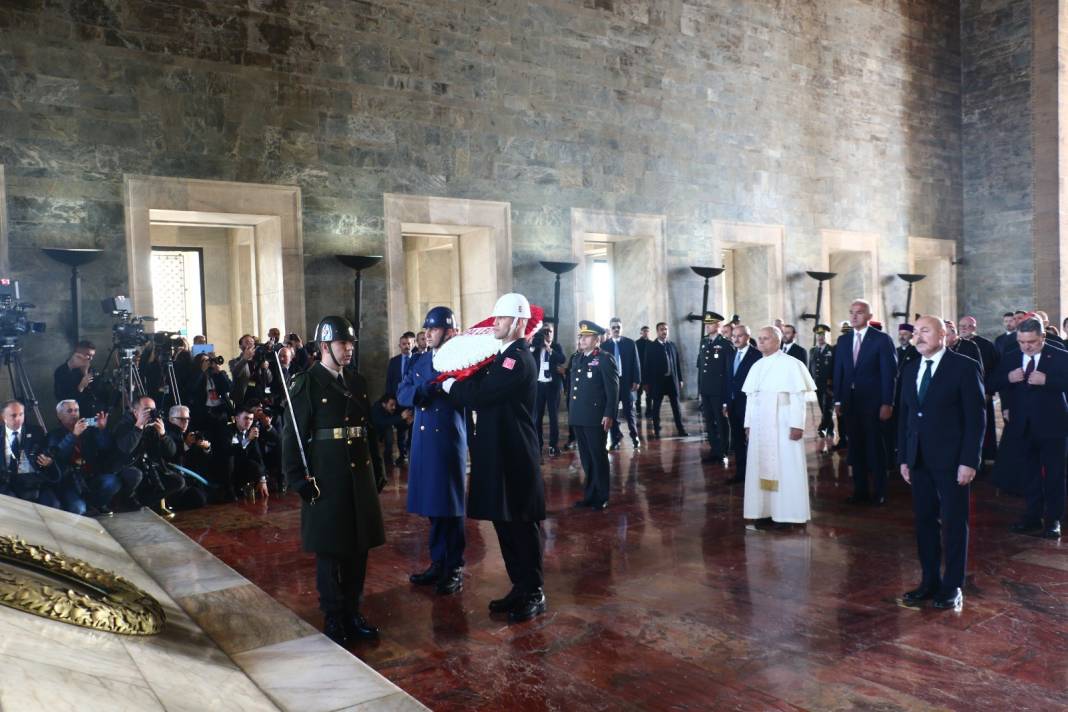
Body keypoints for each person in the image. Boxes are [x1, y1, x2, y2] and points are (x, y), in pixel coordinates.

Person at [441, 293, 546, 623]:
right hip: (499, 452)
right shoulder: (501, 358)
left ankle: (534, 591)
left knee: (521, 526)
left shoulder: (517, 359)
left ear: (517, 322)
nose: (494, 324)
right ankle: (519, 586)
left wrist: (449, 387)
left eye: (500, 319)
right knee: (505, 523)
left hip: (514, 455)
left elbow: (482, 395)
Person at [282, 315, 387, 645]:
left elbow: (368, 430)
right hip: (326, 478)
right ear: (325, 346)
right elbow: (292, 438)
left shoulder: (357, 382)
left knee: (358, 548)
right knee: (331, 551)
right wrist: (299, 481)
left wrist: (379, 469)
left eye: (352, 344)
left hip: (359, 476)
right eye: (344, 343)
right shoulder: (307, 384)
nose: (349, 349)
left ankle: (353, 611)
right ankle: (334, 616)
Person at [898, 316, 985, 610]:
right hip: (919, 459)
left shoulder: (963, 367)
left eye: (926, 331)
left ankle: (952, 586)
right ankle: (929, 581)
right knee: (924, 522)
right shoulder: (910, 368)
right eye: (916, 332)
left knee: (953, 523)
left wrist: (969, 461)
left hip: (952, 461)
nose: (918, 337)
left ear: (944, 335)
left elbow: (976, 419)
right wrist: (904, 458)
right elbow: (906, 417)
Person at [398, 306, 468, 595]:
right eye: (426, 328)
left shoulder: (461, 360)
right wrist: (424, 390)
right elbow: (402, 392)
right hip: (423, 441)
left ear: (450, 331)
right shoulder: (422, 359)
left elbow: (463, 395)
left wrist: (428, 389)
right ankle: (438, 561)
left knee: (449, 508)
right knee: (432, 506)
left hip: (446, 440)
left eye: (434, 328)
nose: (428, 333)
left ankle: (453, 567)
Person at [992, 317, 1067, 539]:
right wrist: (1007, 377)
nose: (1026, 346)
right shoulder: (1011, 356)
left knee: (1054, 475)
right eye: (1022, 341)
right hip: (1022, 426)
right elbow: (992, 383)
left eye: (1031, 342)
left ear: (1042, 337)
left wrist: (1048, 380)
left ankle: (1053, 520)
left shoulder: (1061, 356)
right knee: (1030, 475)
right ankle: (1032, 517)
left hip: (1053, 426)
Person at [741, 326, 817, 528]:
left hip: (783, 423)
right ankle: (764, 512)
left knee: (786, 468)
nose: (761, 342)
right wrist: (748, 424)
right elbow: (751, 398)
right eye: (759, 338)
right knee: (759, 468)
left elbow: (798, 397)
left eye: (766, 338)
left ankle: (787, 515)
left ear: (778, 341)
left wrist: (797, 425)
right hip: (760, 425)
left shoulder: (792, 364)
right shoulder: (756, 366)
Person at [833, 299, 897, 505]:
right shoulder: (843, 341)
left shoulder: (881, 340)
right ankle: (860, 491)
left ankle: (880, 491)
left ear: (869, 316)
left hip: (874, 403)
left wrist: (888, 402)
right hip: (850, 403)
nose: (854, 316)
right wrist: (837, 400)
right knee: (855, 448)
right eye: (851, 312)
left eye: (859, 313)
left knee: (875, 448)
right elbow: (839, 373)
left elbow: (890, 374)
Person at [569, 320, 619, 510]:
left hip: (595, 416)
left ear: (596, 339)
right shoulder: (577, 358)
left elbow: (613, 389)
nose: (581, 339)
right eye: (580, 336)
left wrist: (609, 414)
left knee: (598, 456)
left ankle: (602, 495)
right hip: (579, 415)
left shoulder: (605, 358)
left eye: (586, 336)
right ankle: (590, 495)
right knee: (586, 459)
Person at [112, 395, 182, 516]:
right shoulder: (124, 424)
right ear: (135, 412)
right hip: (127, 469)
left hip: (149, 468)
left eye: (153, 410)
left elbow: (171, 452)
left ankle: (143, 503)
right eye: (147, 410)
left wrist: (163, 435)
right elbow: (126, 448)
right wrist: (138, 427)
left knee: (177, 481)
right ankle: (123, 502)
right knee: (136, 475)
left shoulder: (154, 424)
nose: (151, 413)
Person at [47, 400, 120, 516]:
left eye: (76, 410)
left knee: (112, 482)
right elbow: (59, 455)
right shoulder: (54, 435)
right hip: (69, 482)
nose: (74, 414)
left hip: (89, 477)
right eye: (69, 411)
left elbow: (106, 447)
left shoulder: (89, 431)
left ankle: (96, 504)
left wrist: (102, 429)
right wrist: (73, 435)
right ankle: (85, 506)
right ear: (60, 416)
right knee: (79, 509)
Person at [1, 400, 60, 508]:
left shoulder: (36, 432)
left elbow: (47, 454)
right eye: (13, 415)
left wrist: (48, 462)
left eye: (21, 414)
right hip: (7, 484)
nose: (18, 418)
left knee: (53, 505)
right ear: (3, 417)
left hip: (33, 482)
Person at [725, 324, 762, 485]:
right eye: (733, 336)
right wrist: (726, 402)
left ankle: (756, 475)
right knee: (738, 441)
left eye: (739, 336)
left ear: (747, 337)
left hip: (750, 406)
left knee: (753, 441)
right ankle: (741, 473)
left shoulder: (757, 356)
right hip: (733, 405)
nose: (736, 339)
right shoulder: (732, 354)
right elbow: (728, 380)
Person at [697, 311, 733, 463]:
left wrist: (727, 396)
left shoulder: (726, 345)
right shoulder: (704, 342)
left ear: (718, 325)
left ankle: (723, 450)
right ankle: (714, 449)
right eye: (706, 324)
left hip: (719, 391)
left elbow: (728, 372)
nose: (707, 326)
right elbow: (700, 366)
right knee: (709, 421)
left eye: (710, 324)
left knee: (721, 421)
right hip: (706, 389)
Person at [642, 322, 687, 438]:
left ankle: (681, 429)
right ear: (657, 332)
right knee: (656, 407)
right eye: (662, 329)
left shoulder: (672, 345)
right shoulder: (651, 347)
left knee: (676, 407)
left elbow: (677, 364)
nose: (664, 331)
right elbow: (646, 366)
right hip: (658, 383)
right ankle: (656, 429)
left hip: (672, 381)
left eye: (666, 329)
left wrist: (680, 379)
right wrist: (646, 383)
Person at [163, 404, 213, 508]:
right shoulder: (167, 433)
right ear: (171, 419)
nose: (185, 422)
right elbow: (170, 455)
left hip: (190, 475)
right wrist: (186, 444)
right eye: (181, 419)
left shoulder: (187, 432)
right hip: (174, 477)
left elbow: (197, 457)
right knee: (199, 499)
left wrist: (205, 447)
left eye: (187, 419)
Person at [603, 317, 641, 450]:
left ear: (621, 328)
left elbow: (636, 363)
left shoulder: (630, 343)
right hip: (612, 384)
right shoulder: (605, 346)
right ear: (610, 329)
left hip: (627, 382)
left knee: (629, 411)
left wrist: (637, 380)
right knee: (612, 412)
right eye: (613, 327)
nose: (616, 329)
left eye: (618, 327)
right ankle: (615, 438)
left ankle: (634, 436)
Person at [532, 325, 566, 455]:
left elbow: (562, 359)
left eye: (549, 331)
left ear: (553, 333)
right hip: (539, 386)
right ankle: (538, 445)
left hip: (553, 386)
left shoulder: (556, 347)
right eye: (544, 331)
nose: (547, 334)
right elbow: (528, 355)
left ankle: (553, 445)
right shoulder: (535, 348)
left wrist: (549, 348)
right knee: (537, 417)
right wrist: (534, 344)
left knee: (553, 417)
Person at [384, 332, 416, 465]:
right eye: (404, 344)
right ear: (399, 345)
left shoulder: (418, 359)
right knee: (401, 429)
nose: (406, 346)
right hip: (398, 401)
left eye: (409, 343)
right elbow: (389, 381)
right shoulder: (394, 362)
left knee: (413, 429)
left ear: (413, 344)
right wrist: (390, 399)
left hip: (414, 400)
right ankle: (402, 455)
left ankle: (412, 454)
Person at [54, 340, 100, 415]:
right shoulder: (61, 371)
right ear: (77, 354)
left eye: (92, 356)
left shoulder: (91, 369)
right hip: (71, 416)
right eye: (88, 355)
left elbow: (95, 393)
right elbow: (61, 398)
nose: (90, 359)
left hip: (90, 414)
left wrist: (85, 372)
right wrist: (81, 386)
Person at [809, 325, 835, 447]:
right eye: (818, 335)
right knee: (822, 407)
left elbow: (835, 367)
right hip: (817, 385)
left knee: (828, 408)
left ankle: (822, 427)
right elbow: (811, 367)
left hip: (829, 385)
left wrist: (833, 381)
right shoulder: (812, 350)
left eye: (822, 335)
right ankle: (830, 428)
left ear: (825, 336)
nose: (820, 337)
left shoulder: (832, 349)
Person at [229, 334, 273, 405]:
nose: (250, 343)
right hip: (243, 399)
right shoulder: (234, 361)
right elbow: (235, 373)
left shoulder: (259, 360)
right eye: (247, 342)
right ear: (240, 346)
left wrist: (266, 368)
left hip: (259, 398)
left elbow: (269, 379)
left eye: (252, 342)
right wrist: (245, 359)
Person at [635, 325, 652, 419]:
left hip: (648, 373)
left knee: (649, 394)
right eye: (644, 331)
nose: (646, 333)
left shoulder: (652, 343)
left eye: (647, 331)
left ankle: (649, 411)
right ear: (641, 332)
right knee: (638, 394)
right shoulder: (636, 343)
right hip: (639, 372)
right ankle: (638, 410)